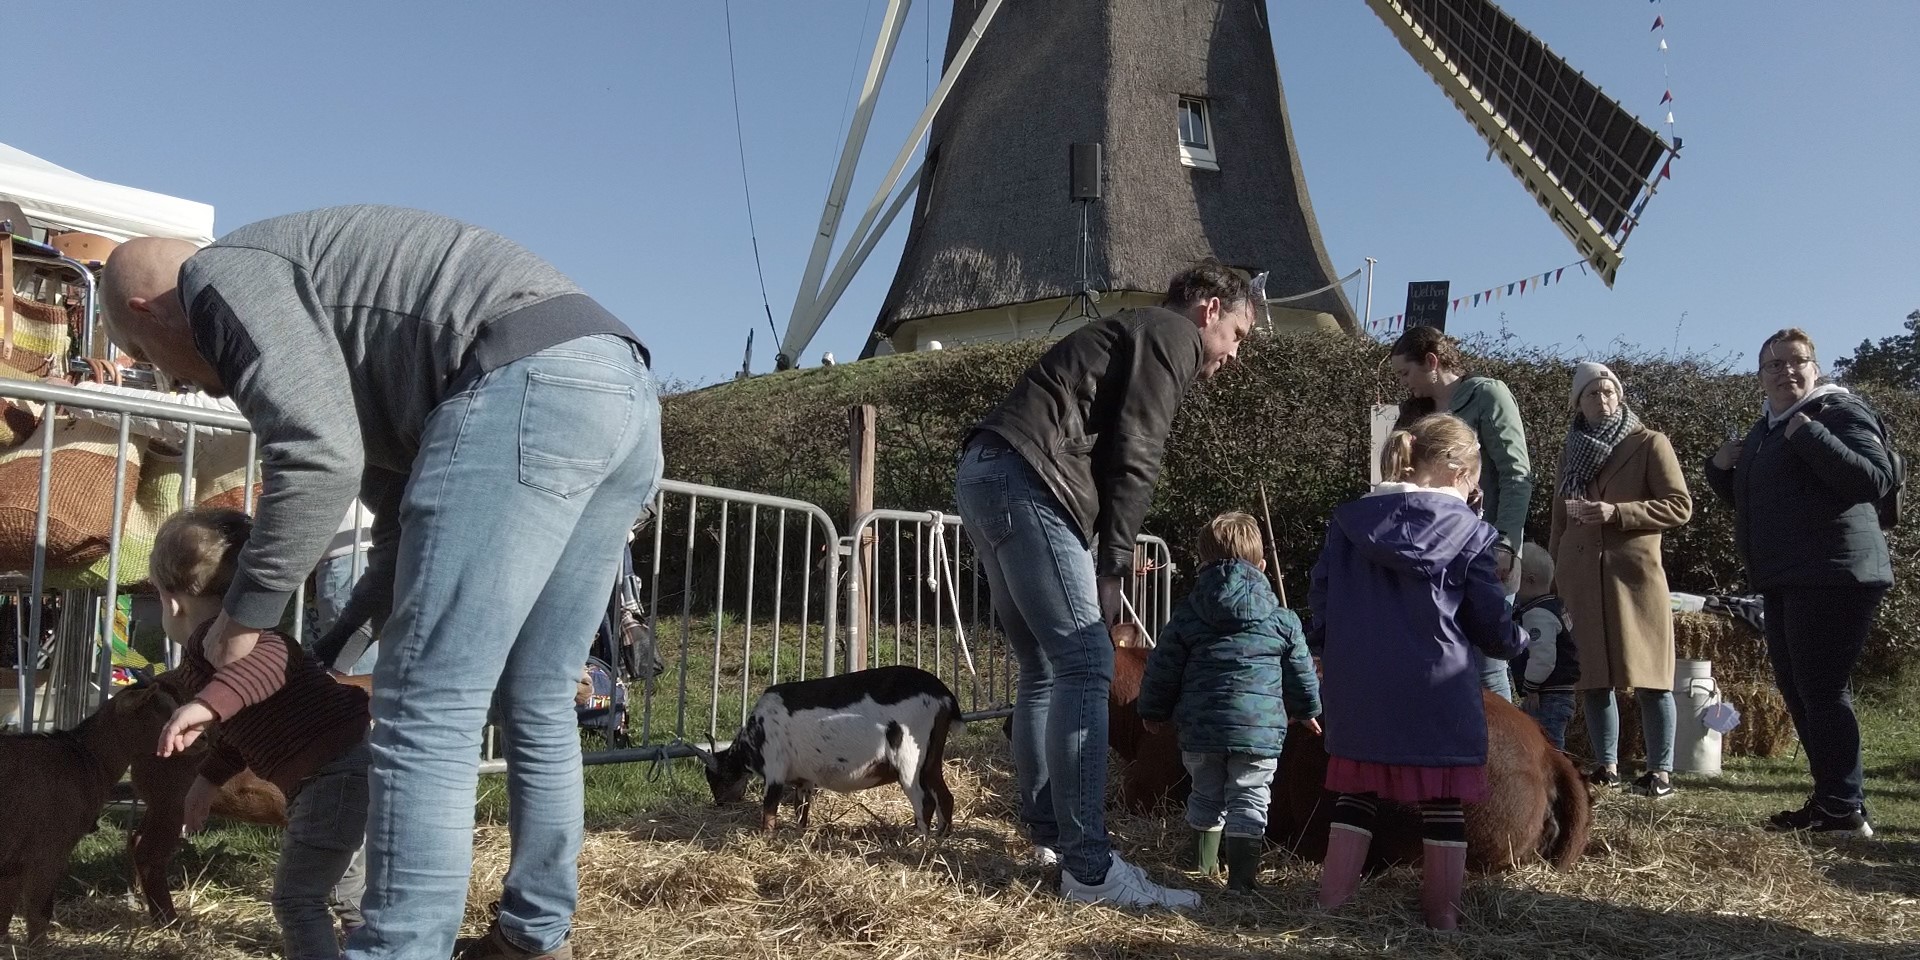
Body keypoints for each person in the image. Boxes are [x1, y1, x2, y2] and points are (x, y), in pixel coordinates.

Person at [100, 205, 660, 960]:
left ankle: (397, 948)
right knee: (538, 694)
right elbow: (397, 530)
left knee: (427, 698)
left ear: (146, 311)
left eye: (146, 358)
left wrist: (241, 620)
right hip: (618, 391)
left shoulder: (217, 277)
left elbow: (316, 456)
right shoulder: (336, 324)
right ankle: (533, 937)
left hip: (521, 383)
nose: (177, 385)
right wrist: (332, 639)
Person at [955, 258, 1254, 909]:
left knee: (1042, 666)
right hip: (1031, 479)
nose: (1234, 355)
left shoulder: (1128, 332)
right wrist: (1113, 564)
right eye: (1237, 333)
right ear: (1208, 308)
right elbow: (1137, 450)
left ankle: (1050, 839)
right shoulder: (1171, 335)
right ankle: (1089, 869)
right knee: (1088, 661)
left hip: (986, 471)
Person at [1309, 413, 1527, 930]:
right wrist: (1519, 639)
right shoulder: (1472, 534)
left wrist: (1327, 649)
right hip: (1436, 689)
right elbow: (1490, 622)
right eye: (1476, 476)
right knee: (1443, 804)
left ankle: (1331, 906)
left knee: (1354, 797)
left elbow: (1322, 597)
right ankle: (1442, 920)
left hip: (1358, 686)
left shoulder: (1349, 522)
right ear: (1459, 472)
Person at [148, 508, 372, 959]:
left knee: (296, 899)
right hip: (348, 771)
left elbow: (265, 666)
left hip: (333, 779)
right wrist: (207, 780)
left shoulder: (231, 638)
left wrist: (207, 702)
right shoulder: (213, 654)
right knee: (348, 890)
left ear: (172, 602)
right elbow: (241, 725)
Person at [1705, 328, 1893, 838]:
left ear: (1815, 368)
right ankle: (1832, 800)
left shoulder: (1837, 413)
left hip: (1835, 572)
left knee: (1822, 689)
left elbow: (1874, 479)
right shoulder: (1767, 427)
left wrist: (1811, 435)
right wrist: (1720, 470)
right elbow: (1762, 501)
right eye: (1774, 365)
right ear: (1760, 376)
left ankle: (1844, 807)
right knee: (1799, 689)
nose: (1786, 372)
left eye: (1797, 362)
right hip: (1787, 573)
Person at [1134, 512, 1322, 893]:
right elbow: (1300, 670)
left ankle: (1202, 869)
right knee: (1250, 797)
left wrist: (1153, 711)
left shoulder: (1187, 616)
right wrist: (1307, 711)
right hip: (1259, 732)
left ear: (1202, 564)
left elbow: (1162, 667)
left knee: (1205, 794)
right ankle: (1241, 881)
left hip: (1200, 732)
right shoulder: (1282, 620)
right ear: (1263, 566)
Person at [1549, 362, 1692, 797]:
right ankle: (1606, 767)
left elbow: (1679, 505)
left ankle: (1660, 772)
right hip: (1580, 574)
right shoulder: (1569, 451)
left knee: (1650, 677)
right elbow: (1558, 519)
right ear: (1579, 403)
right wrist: (1555, 575)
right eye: (1592, 393)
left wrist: (1621, 513)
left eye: (1609, 391)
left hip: (1633, 576)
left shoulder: (1650, 443)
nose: (1603, 399)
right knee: (1593, 679)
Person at [1389, 326, 1533, 701]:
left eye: (1406, 373)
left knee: (1488, 660)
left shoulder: (1488, 395)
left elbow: (1517, 475)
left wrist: (1506, 544)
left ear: (1432, 362)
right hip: (1431, 550)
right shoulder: (1415, 415)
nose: (1405, 384)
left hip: (1485, 550)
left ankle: (1502, 754)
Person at [1510, 546, 1578, 750]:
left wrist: (1531, 686)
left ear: (1529, 580)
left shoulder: (1538, 614)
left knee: (1548, 745)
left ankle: (1556, 780)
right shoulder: (1554, 606)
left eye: (1515, 578)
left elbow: (1543, 657)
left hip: (1547, 694)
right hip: (1556, 692)